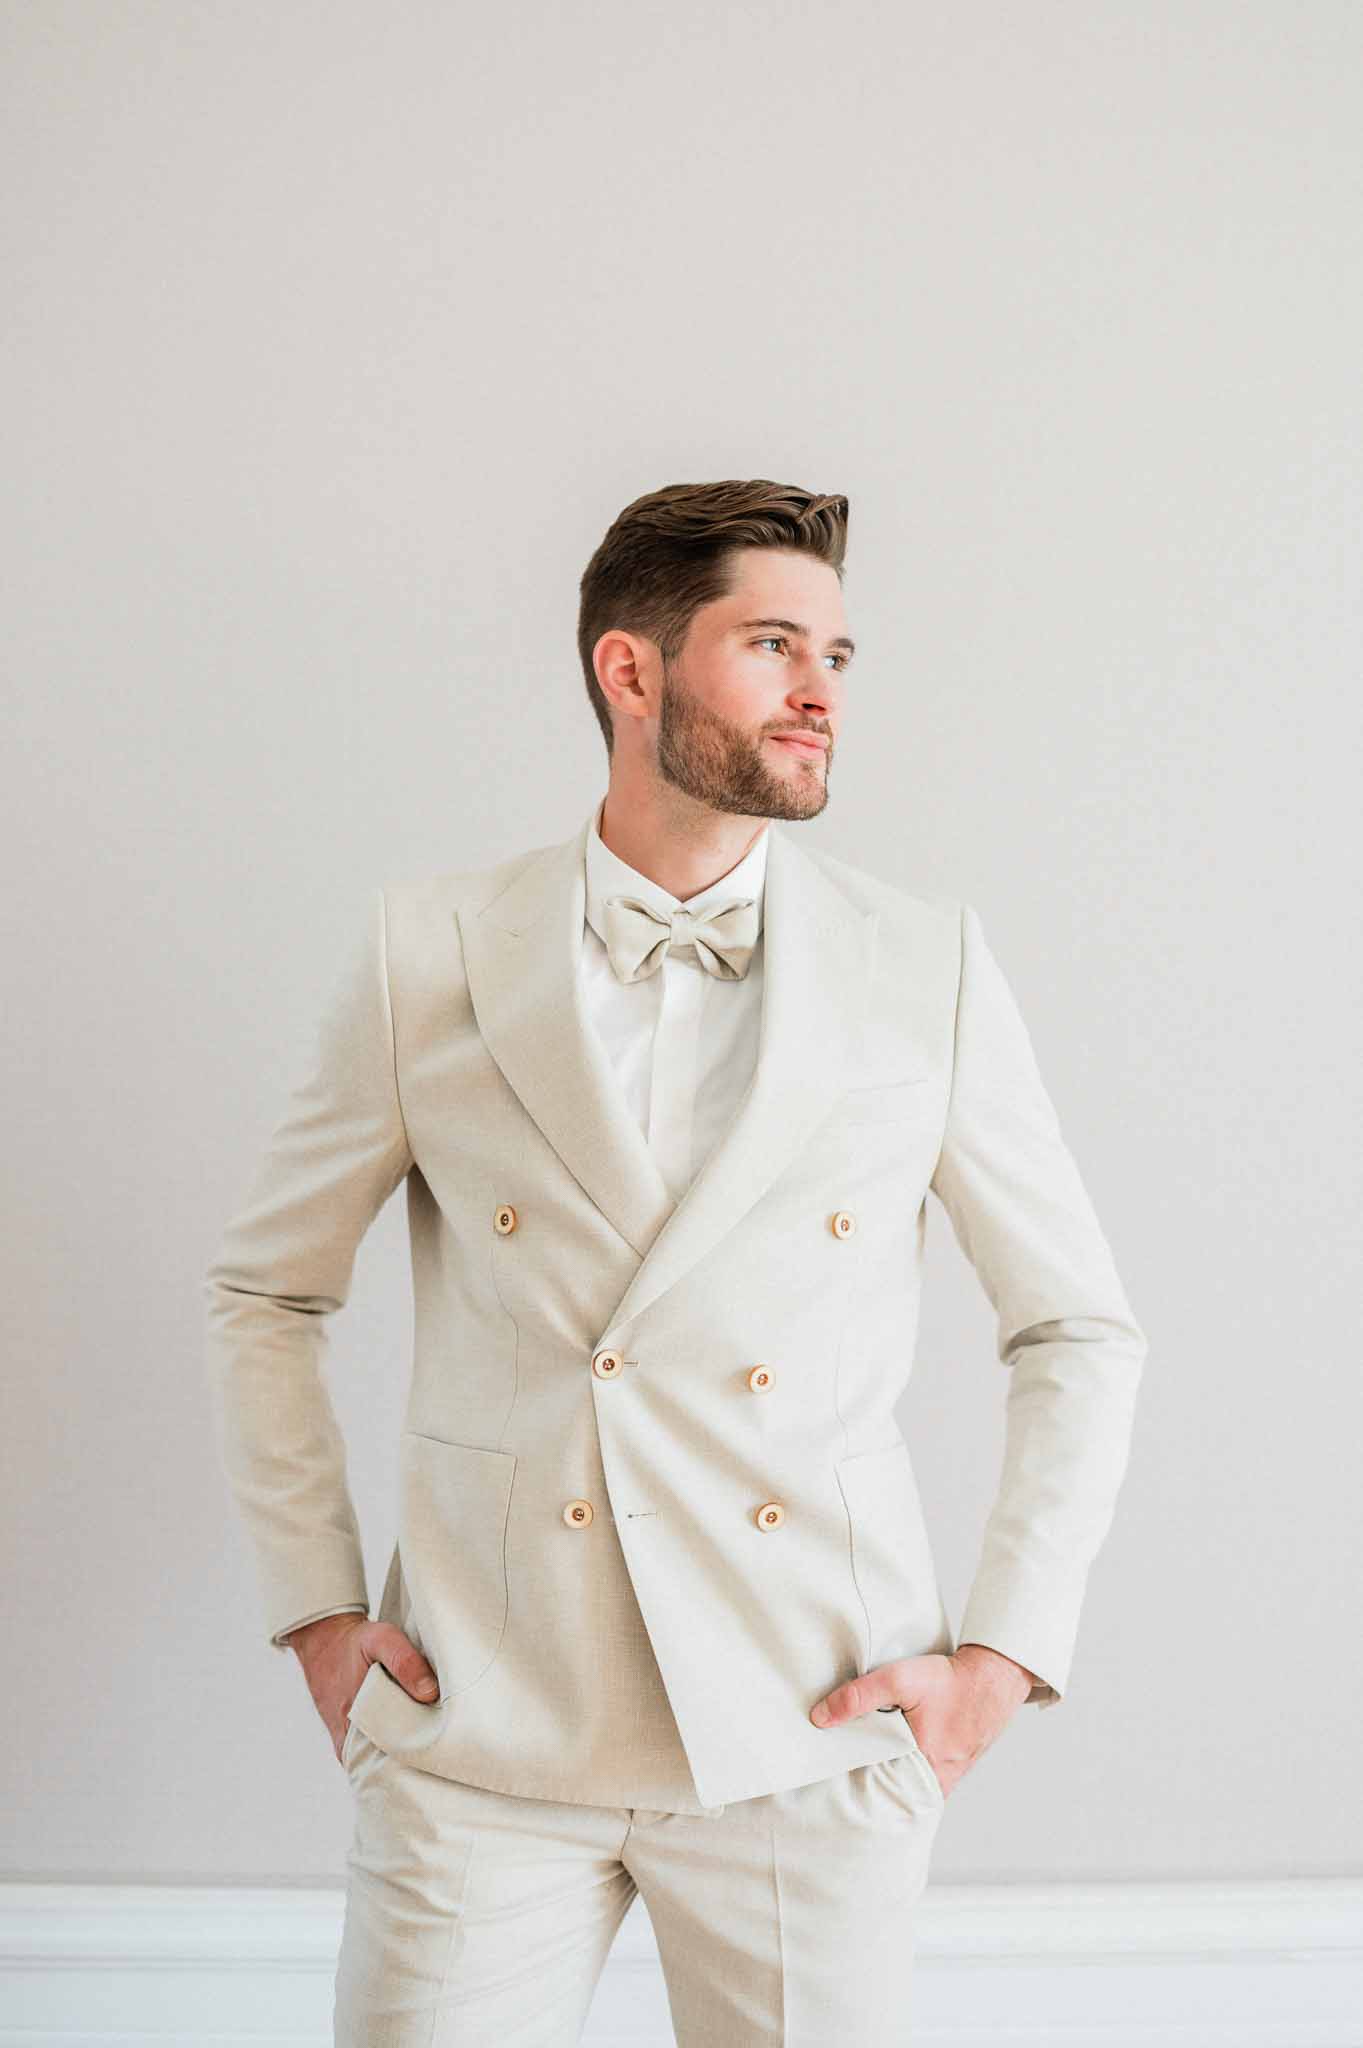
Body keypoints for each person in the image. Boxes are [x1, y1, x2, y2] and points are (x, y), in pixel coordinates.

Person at [204, 478, 1147, 2044]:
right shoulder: (426, 951)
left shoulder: (928, 967)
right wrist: (314, 1610)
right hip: (486, 1728)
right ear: (628, 672)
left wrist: (997, 1660)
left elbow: (1076, 1327)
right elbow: (269, 1291)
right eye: (772, 645)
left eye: (838, 656)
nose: (819, 694)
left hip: (812, 1728)